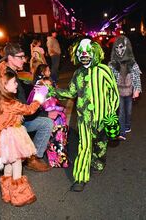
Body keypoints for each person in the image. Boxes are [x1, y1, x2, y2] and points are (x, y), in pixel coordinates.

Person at [48, 38, 120, 192]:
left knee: (100, 145)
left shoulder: (104, 70)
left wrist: (111, 115)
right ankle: (80, 178)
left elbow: (114, 94)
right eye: (81, 52)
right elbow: (71, 92)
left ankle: (99, 162)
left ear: (95, 53)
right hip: (84, 119)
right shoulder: (78, 73)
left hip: (102, 118)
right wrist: (54, 92)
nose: (84, 55)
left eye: (88, 52)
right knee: (84, 147)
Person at [0, 62, 48, 206]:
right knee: (17, 163)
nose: (16, 85)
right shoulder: (11, 104)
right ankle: (20, 196)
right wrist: (39, 98)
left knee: (8, 163)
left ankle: (7, 193)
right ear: (4, 86)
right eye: (14, 82)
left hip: (1, 136)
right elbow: (29, 110)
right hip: (12, 136)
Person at [0, 43, 53, 171]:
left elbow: (21, 90)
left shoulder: (8, 72)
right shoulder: (7, 76)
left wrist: (34, 85)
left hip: (12, 121)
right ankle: (32, 159)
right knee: (47, 123)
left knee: (10, 168)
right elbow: (22, 107)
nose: (24, 60)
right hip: (14, 125)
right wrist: (41, 102)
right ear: (10, 58)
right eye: (21, 57)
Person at [27, 64, 69, 168]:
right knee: (55, 130)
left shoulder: (45, 83)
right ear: (42, 73)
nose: (50, 72)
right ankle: (56, 158)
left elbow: (52, 100)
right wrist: (57, 109)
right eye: (48, 70)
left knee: (59, 129)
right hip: (42, 114)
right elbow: (41, 105)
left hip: (46, 112)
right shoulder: (41, 85)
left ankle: (58, 154)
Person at [108, 35, 142, 140]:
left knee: (129, 111)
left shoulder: (132, 63)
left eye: (121, 47)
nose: (119, 50)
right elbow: (109, 79)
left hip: (129, 92)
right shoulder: (112, 64)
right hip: (118, 92)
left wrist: (137, 90)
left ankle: (127, 125)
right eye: (117, 48)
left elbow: (136, 77)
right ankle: (122, 132)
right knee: (121, 112)